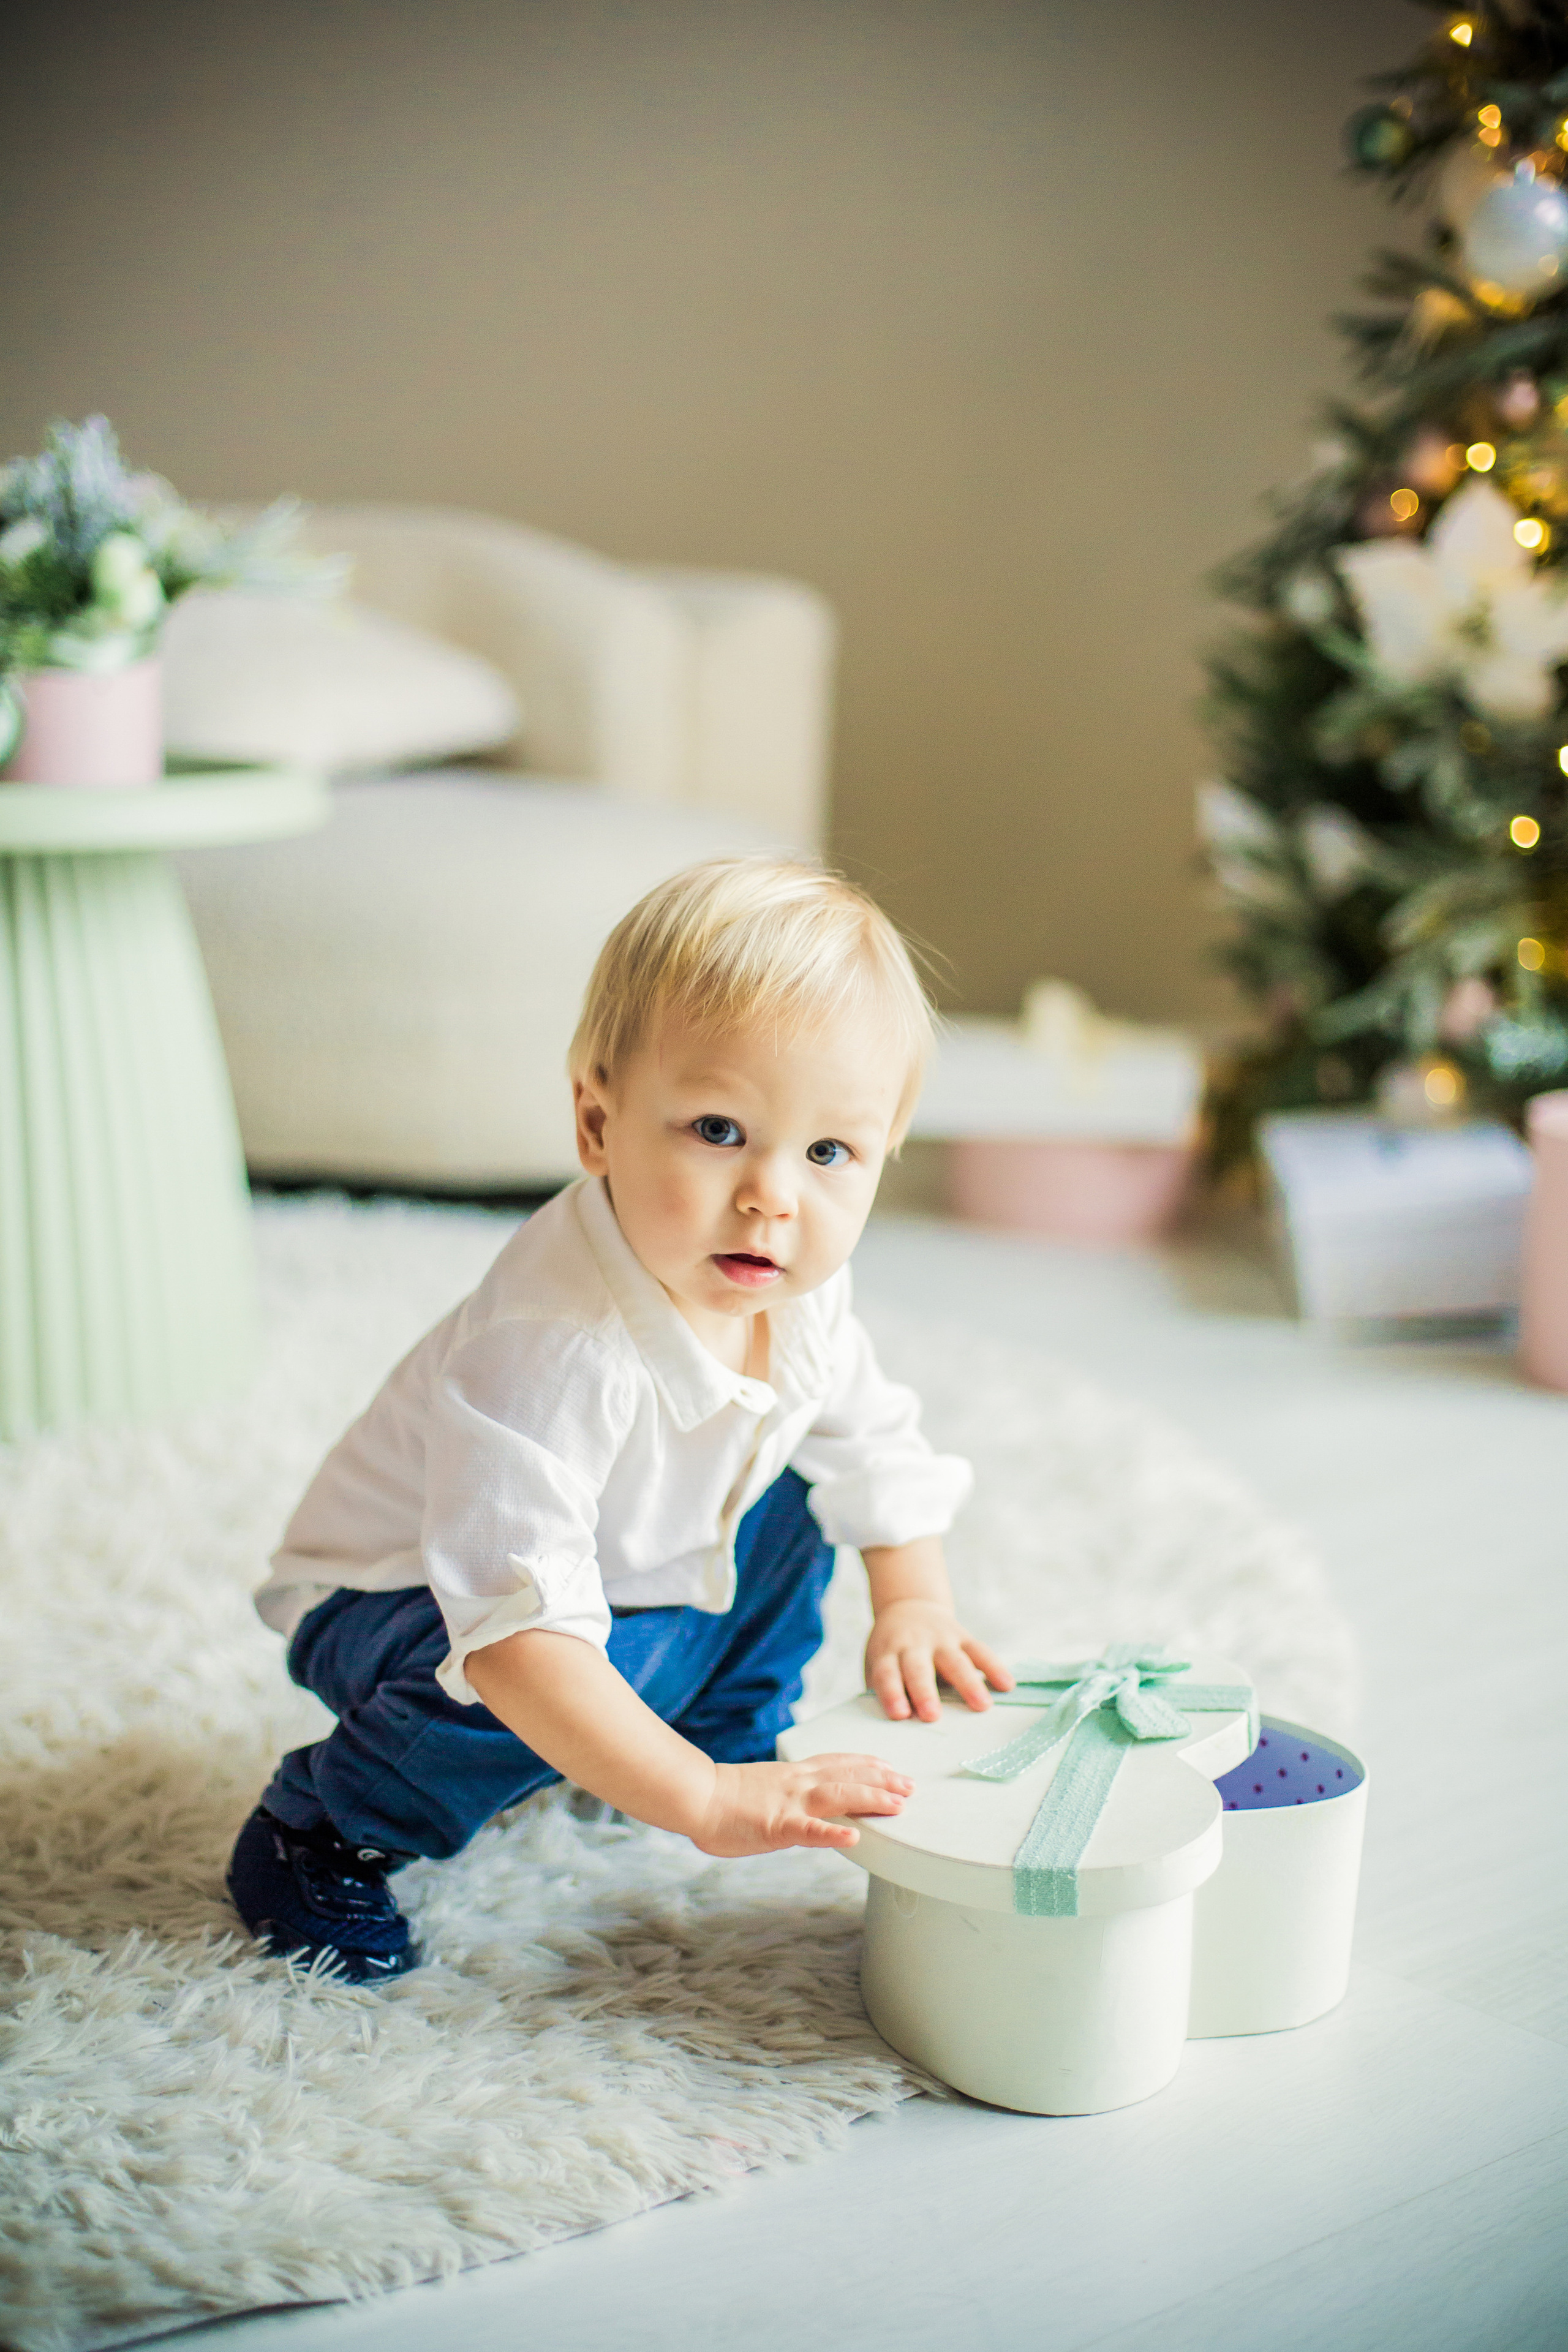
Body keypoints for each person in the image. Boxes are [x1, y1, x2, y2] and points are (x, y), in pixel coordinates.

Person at [227, 854, 1012, 1978]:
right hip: (405, 1596)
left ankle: (715, 1729)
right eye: (717, 1130)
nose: (773, 1196)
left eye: (830, 1152)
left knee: (791, 1498)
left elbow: (873, 1445)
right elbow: (516, 1636)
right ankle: (321, 1829)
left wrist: (915, 1601)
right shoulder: (555, 1346)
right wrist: (693, 1805)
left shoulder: (792, 1286)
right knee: (560, 1674)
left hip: (605, 1555)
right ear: (598, 1125)